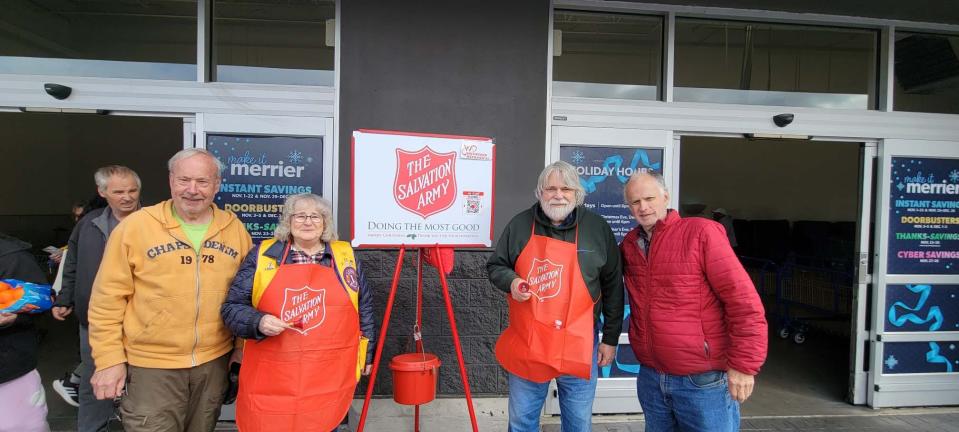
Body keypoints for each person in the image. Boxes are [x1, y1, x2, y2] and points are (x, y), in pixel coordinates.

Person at [88, 148, 252, 432]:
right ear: (170, 181)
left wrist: (241, 348)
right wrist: (108, 360)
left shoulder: (234, 229)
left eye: (202, 181)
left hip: (214, 362)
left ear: (217, 185)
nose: (192, 190)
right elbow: (107, 299)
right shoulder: (136, 227)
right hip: (152, 366)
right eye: (184, 180)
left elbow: (245, 297)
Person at [621, 173, 767, 432]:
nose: (643, 207)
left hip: (702, 381)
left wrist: (745, 365)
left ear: (666, 196)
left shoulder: (700, 233)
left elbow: (743, 301)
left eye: (649, 198)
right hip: (652, 378)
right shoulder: (631, 245)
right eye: (635, 202)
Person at [487, 161, 624, 432]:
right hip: (530, 340)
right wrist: (512, 281)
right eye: (550, 188)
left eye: (566, 188)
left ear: (578, 194)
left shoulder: (597, 229)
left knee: (578, 423)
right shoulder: (520, 225)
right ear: (539, 192)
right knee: (522, 421)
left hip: (579, 342)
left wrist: (609, 339)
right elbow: (496, 266)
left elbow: (613, 286)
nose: (558, 194)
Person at [222, 193, 374, 432]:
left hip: (328, 371)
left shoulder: (345, 257)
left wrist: (366, 354)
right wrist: (258, 321)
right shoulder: (263, 256)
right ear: (288, 221)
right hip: (274, 372)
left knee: (323, 422)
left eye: (315, 216)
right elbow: (232, 307)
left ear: (325, 223)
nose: (307, 222)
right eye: (300, 215)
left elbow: (363, 307)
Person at [50, 165, 141, 431]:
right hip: (95, 320)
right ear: (102, 192)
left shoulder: (153, 222)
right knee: (96, 379)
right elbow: (72, 263)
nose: (127, 197)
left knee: (142, 383)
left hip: (140, 320)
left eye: (132, 190)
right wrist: (65, 298)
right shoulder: (88, 225)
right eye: (119, 191)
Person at [0, 232, 51, 432]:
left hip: (9, 370)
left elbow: (41, 300)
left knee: (19, 426)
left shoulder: (11, 256)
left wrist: (16, 317)